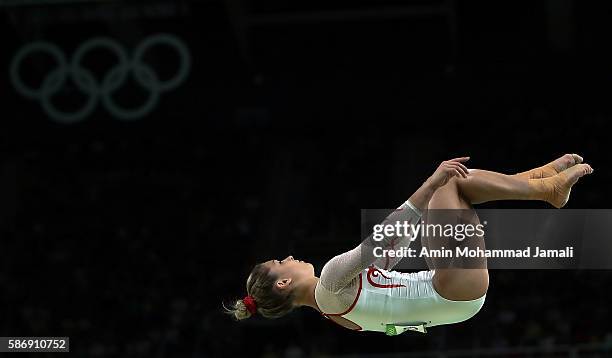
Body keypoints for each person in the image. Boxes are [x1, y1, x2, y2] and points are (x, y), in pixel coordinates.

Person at [226, 154, 593, 334]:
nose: (289, 256)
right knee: (447, 184)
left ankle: (538, 181)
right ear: (283, 283)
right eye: (280, 261)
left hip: (459, 298)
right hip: (451, 288)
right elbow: (379, 240)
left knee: (454, 191)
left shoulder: (337, 314)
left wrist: (425, 211)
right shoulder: (330, 280)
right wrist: (428, 186)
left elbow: (389, 257)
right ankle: (544, 188)